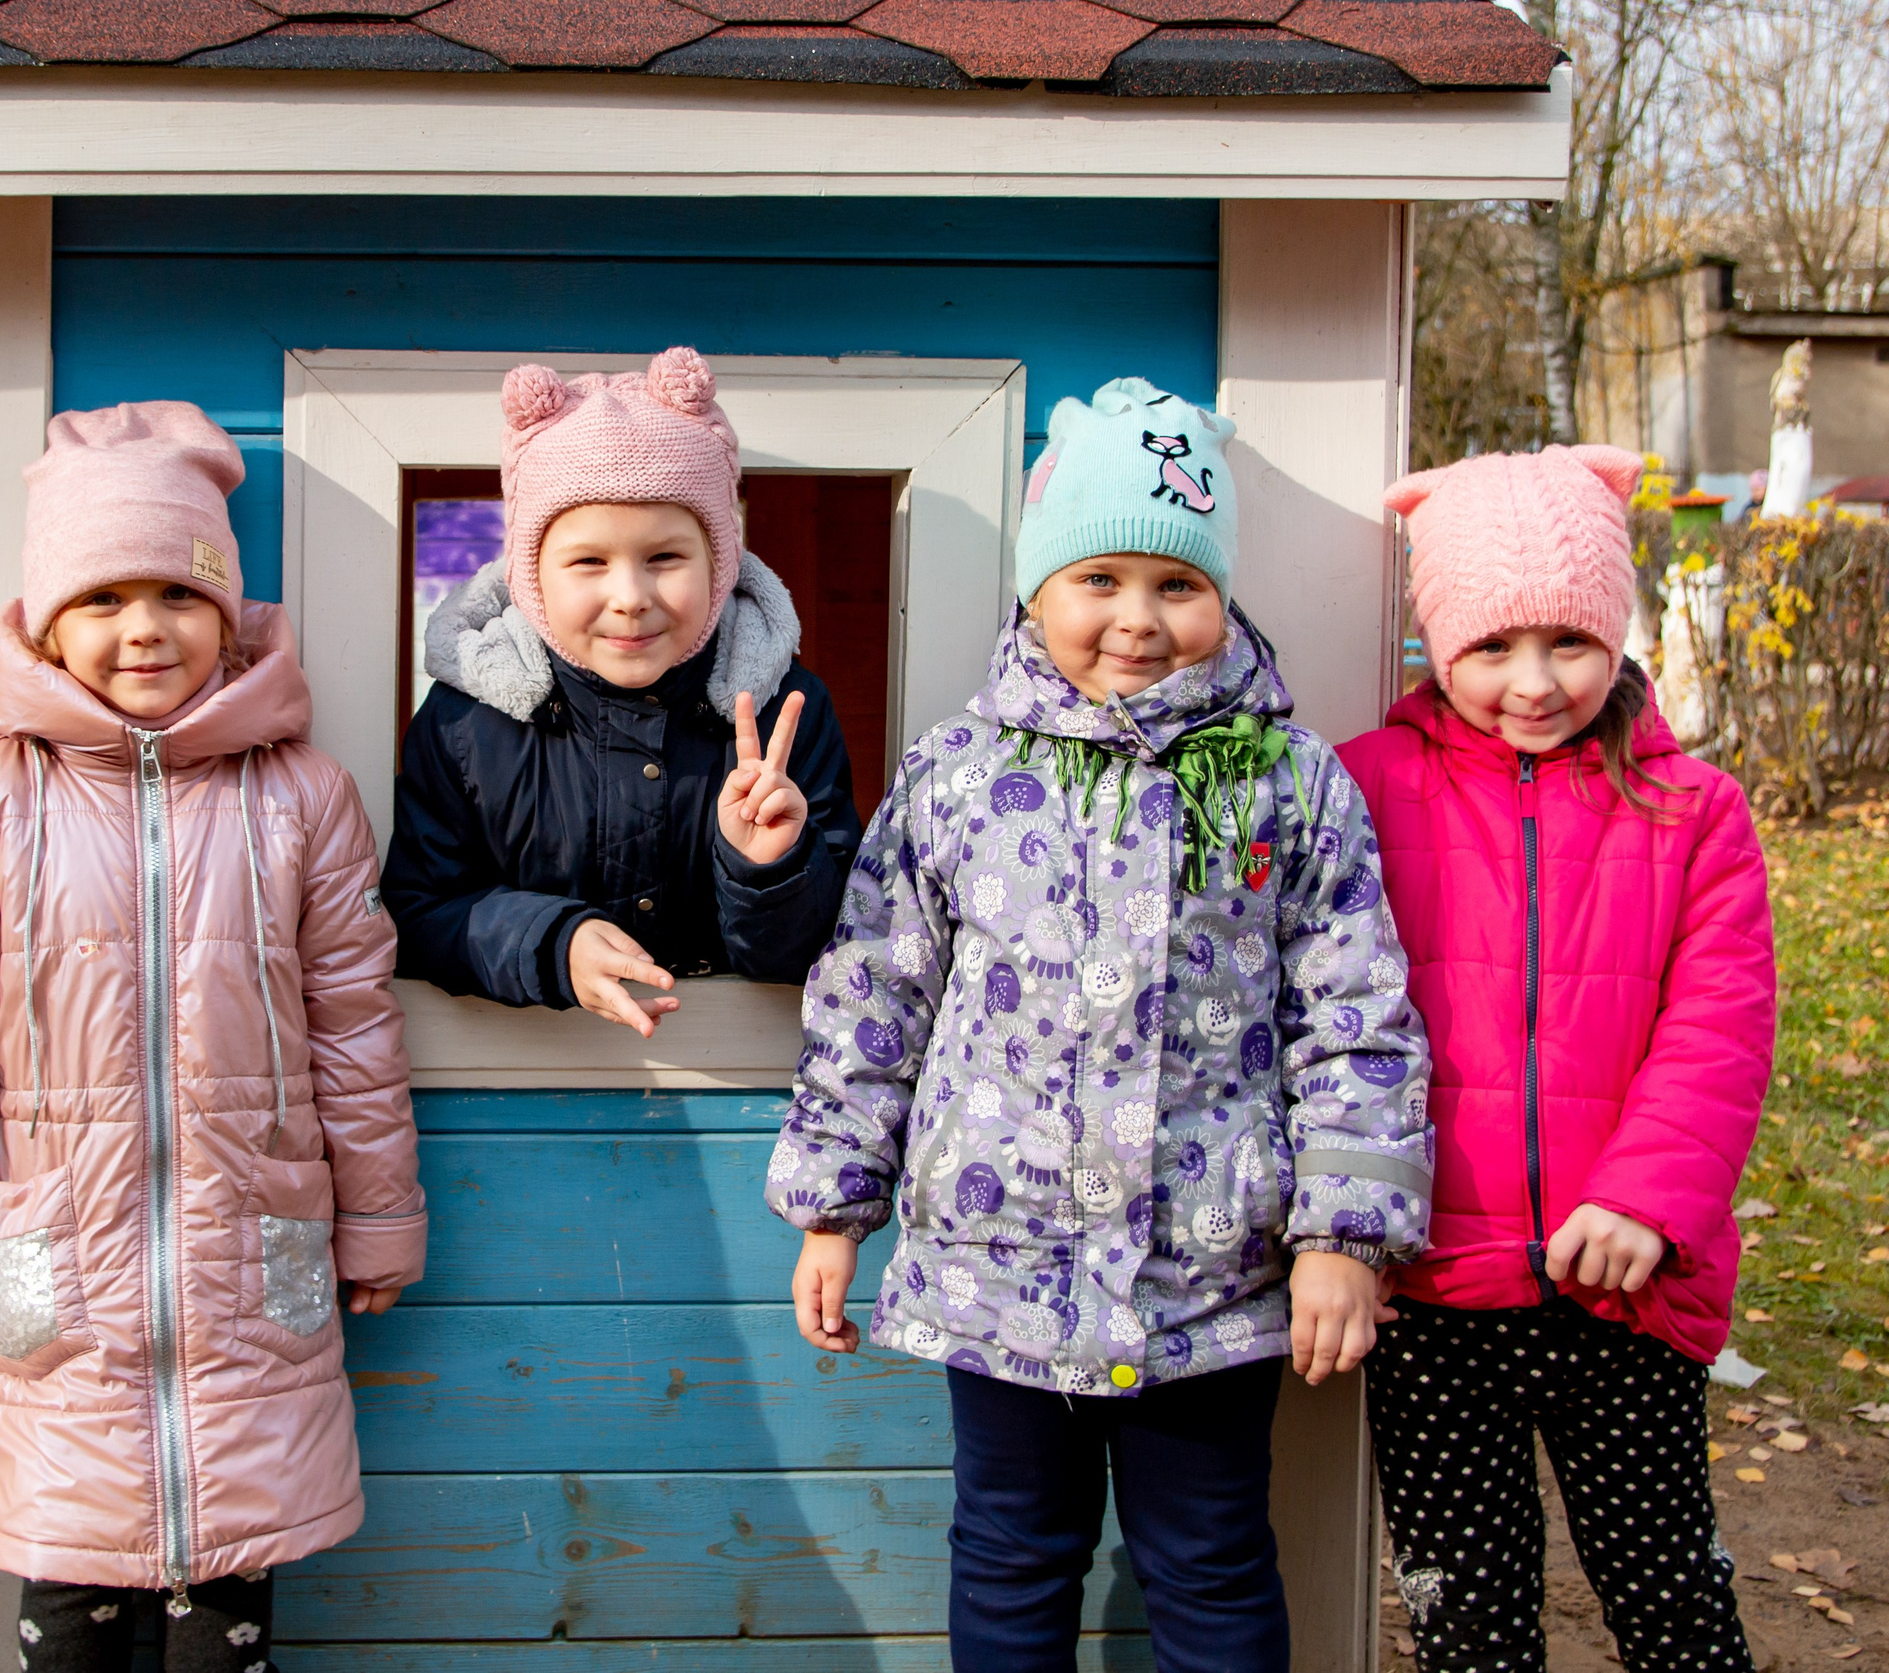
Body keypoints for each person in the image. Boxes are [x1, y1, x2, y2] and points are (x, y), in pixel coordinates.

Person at [767, 378, 1433, 1673]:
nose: (1137, 616)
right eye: (1098, 578)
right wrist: (833, 1206)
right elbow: (874, 994)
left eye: (1177, 583)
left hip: (1213, 1271)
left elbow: (1355, 1012)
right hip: (1000, 1264)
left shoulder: (1287, 779)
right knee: (1011, 1552)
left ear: (1221, 594)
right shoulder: (959, 775)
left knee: (1213, 1560)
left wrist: (1344, 1235)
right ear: (1037, 590)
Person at [0, 402, 424, 1673]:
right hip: (52, 1256)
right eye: (102, 597)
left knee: (228, 1594)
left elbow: (354, 1025)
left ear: (226, 613)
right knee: (68, 1589)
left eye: (177, 593)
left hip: (252, 1248)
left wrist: (380, 1211)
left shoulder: (300, 795)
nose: (143, 628)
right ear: (46, 623)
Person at [1342, 444, 1773, 1671]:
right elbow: (1318, 1015)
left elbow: (1719, 1023)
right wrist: (1348, 1224)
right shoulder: (1363, 788)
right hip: (1432, 1294)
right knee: (1467, 1620)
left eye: (1569, 642)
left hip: (1624, 1287)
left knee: (1671, 1600)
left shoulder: (1692, 810)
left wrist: (1647, 1200)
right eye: (1491, 646)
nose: (1532, 683)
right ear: (1438, 642)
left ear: (1615, 631)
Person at [382, 346, 860, 1035]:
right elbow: (420, 913)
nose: (630, 596)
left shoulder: (784, 712)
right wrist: (554, 944)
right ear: (530, 575)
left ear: (720, 561)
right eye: (588, 561)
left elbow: (829, 948)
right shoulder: (465, 723)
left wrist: (771, 869)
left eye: (664, 557)